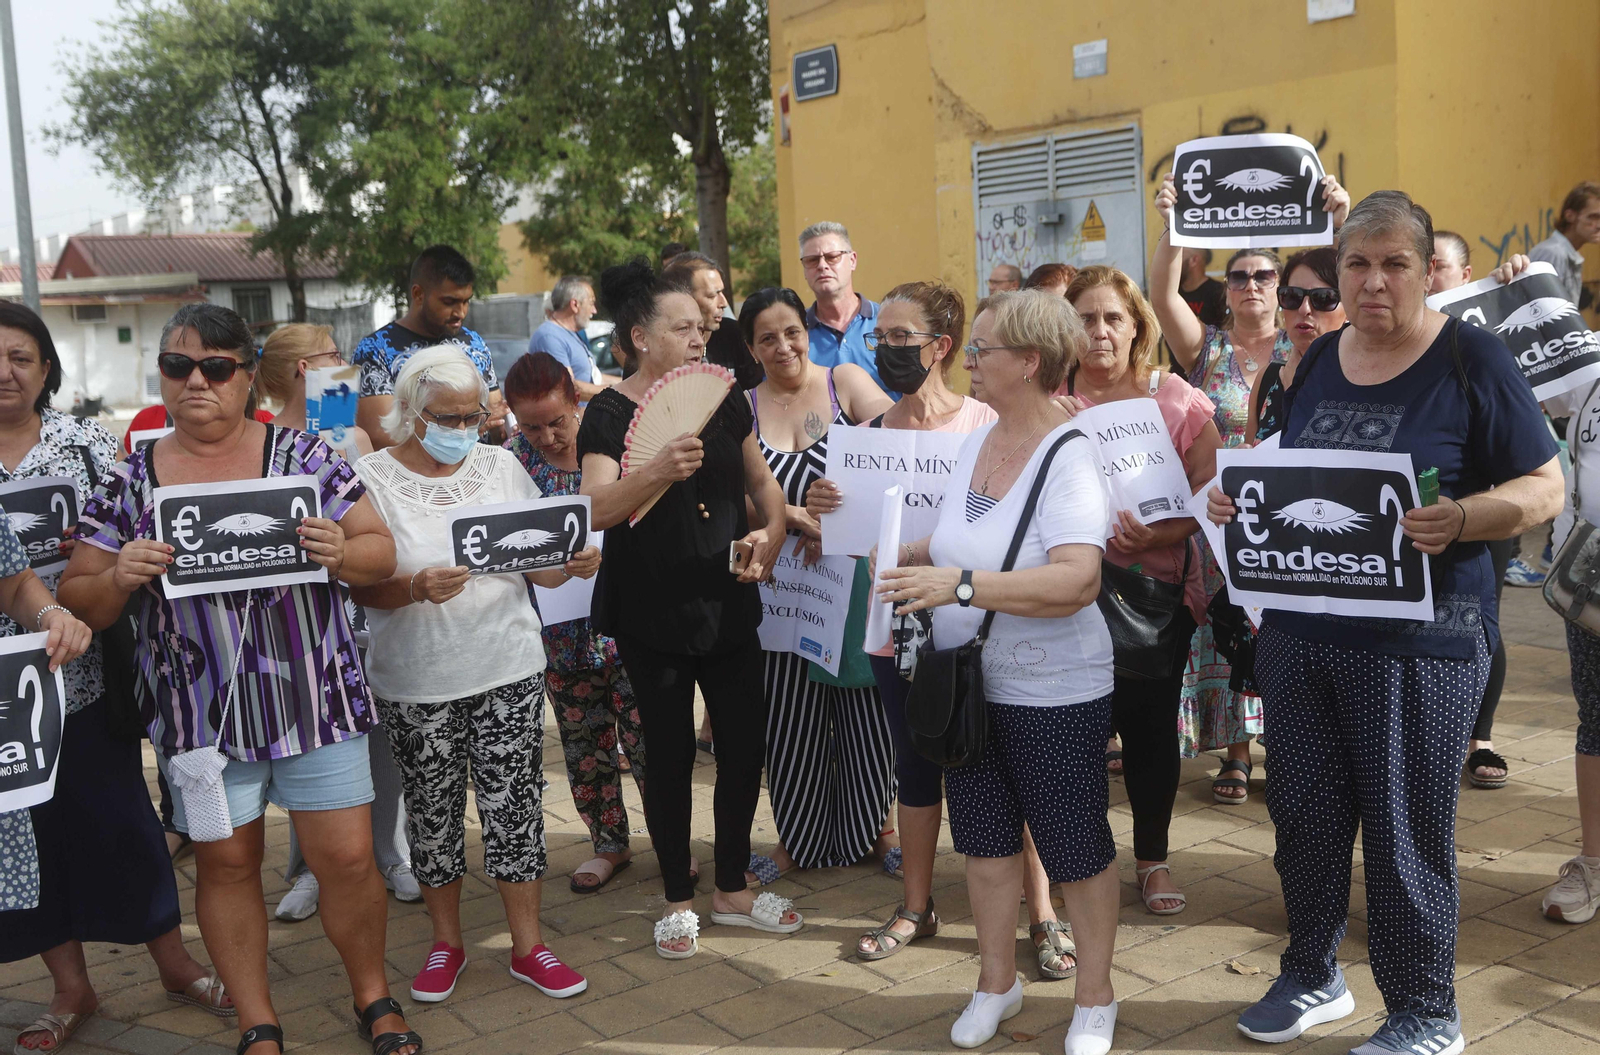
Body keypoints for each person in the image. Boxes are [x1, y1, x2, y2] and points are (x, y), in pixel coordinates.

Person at [1207, 191, 1563, 1054]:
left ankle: (1425, 1011)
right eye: (1355, 265)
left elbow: (1546, 485)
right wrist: (1239, 496)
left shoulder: (1472, 358)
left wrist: (1467, 517)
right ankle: (1313, 974)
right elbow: (1296, 472)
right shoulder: (1316, 360)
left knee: (1405, 829)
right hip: (1303, 632)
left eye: (1393, 263)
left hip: (1423, 640)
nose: (1372, 282)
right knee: (1305, 817)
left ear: (1421, 270)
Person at [58, 302, 415, 1055]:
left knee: (348, 857)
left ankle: (375, 999)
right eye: (179, 366)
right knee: (225, 861)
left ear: (249, 378)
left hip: (313, 697)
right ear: (161, 375)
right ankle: (258, 1020)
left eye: (217, 368)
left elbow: (380, 550)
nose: (197, 381)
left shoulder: (305, 457)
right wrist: (118, 574)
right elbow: (78, 595)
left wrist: (339, 553)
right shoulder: (134, 473)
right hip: (199, 717)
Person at [874, 288, 1121, 1054]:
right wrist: (912, 554)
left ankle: (1094, 997)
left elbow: (1078, 578)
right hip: (972, 685)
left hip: (1056, 688)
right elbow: (960, 539)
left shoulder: (1070, 453)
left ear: (1031, 361)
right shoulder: (976, 441)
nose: (970, 360)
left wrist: (962, 585)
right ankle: (996, 983)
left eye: (983, 349)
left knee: (1075, 849)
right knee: (982, 843)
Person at [807, 282, 1076, 980]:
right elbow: (851, 539)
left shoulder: (991, 422)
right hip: (902, 628)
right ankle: (916, 905)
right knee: (916, 767)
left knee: (1011, 762)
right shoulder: (865, 439)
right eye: (879, 337)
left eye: (900, 337)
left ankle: (1042, 910)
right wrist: (824, 505)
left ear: (943, 347)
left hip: (989, 626)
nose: (885, 349)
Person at [0, 303, 227, 1054]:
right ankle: (71, 985)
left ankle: (175, 961)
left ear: (45, 369)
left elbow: (142, 521)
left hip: (83, 661)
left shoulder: (85, 442)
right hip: (6, 700)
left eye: (22, 357)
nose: (6, 372)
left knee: (122, 818)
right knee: (24, 838)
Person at [351, 345, 597, 1003]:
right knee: (432, 813)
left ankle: (528, 945)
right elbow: (360, 585)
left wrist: (568, 565)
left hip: (507, 665)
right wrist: (415, 588)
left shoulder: (502, 465)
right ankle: (446, 943)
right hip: (417, 675)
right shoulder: (369, 476)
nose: (461, 428)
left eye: (470, 415)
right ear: (408, 412)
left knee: (515, 806)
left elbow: (536, 564)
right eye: (446, 416)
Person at [577, 258, 798, 960]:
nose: (701, 338)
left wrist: (772, 533)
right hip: (652, 611)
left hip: (730, 599)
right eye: (684, 328)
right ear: (641, 338)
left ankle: (731, 886)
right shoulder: (609, 412)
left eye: (703, 327)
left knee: (742, 748)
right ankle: (677, 896)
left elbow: (764, 484)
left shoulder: (726, 399)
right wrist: (654, 471)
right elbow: (597, 507)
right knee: (668, 755)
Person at [1150, 169, 1350, 803]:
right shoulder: (1206, 350)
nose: (1255, 287)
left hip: (1289, 513)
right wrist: (1173, 227)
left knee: (1281, 627)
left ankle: (1286, 745)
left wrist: (1341, 220)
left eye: (1268, 277)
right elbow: (1160, 295)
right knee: (1225, 627)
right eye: (1240, 276)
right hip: (1216, 516)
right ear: (1225, 290)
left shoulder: (1316, 344)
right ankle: (1235, 752)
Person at [1058, 266, 1222, 917]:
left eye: (1112, 319)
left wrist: (1162, 526)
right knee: (1073, 734)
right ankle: (1081, 863)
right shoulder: (1048, 400)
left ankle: (1152, 858)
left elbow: (1214, 494)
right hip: (1062, 596)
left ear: (1136, 328)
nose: (1098, 331)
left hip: (1151, 599)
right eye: (1085, 318)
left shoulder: (1173, 398)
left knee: (1149, 733)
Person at [252, 323, 420, 920]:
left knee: (378, 733)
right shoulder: (261, 443)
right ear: (304, 369)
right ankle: (306, 869)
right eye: (333, 356)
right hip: (298, 621)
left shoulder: (351, 433)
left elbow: (380, 527)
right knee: (307, 740)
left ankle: (391, 853)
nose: (344, 364)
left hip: (364, 601)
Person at [738, 287, 893, 874]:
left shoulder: (844, 381)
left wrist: (847, 507)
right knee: (789, 715)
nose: (784, 347)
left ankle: (879, 828)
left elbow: (896, 445)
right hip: (783, 589)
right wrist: (792, 518)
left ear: (807, 331)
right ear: (752, 348)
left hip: (852, 579)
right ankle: (793, 839)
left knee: (867, 713)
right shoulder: (743, 406)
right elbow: (739, 499)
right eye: (767, 338)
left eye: (791, 332)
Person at [501, 351, 646, 893]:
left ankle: (672, 841)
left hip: (629, 626)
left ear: (576, 402)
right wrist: (553, 567)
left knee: (649, 740)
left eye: (557, 421)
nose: (547, 436)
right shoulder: (510, 461)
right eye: (531, 425)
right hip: (558, 633)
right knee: (585, 746)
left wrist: (609, 557)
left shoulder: (613, 444)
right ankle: (610, 846)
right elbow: (508, 546)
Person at [1428, 240, 1535, 792]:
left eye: (1436, 267)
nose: (1426, 278)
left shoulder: (1487, 331)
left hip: (1485, 507)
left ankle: (1481, 738)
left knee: (1483, 622)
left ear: (1464, 274)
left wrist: (1517, 289)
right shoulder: (1396, 332)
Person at [1541, 375, 1600, 924]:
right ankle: (1595, 863)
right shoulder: (1585, 364)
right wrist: (1512, 296)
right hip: (1591, 580)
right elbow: (1519, 380)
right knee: (1598, 719)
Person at [352, 244, 506, 448]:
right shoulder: (375, 350)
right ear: (418, 295)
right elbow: (381, 436)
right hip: (408, 478)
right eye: (449, 301)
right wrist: (467, 431)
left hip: (477, 474)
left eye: (466, 301)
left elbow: (496, 414)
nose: (460, 312)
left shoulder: (474, 343)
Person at [1244, 248, 1347, 444]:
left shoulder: (1366, 381)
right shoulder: (1268, 379)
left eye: (1323, 298)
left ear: (1349, 306)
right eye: (1292, 296)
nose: (1304, 309)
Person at [799, 222, 886, 393]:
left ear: (852, 260)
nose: (822, 265)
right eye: (812, 260)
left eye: (832, 257)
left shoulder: (886, 322)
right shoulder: (795, 333)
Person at [663, 251, 764, 391]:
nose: (723, 303)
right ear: (684, 298)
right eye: (712, 296)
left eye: (721, 292)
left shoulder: (735, 335)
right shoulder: (658, 346)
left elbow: (755, 397)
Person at [528, 276, 613, 401]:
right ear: (575, 305)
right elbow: (567, 387)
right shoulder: (549, 337)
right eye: (591, 303)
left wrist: (632, 384)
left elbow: (594, 378)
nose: (594, 310)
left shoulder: (572, 334)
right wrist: (617, 394)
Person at [1529, 181, 1600, 307]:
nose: (1598, 225)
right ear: (1570, 216)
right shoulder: (1553, 253)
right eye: (1593, 217)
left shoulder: (1568, 253)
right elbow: (1543, 311)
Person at [1178, 247, 1229, 329]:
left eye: (1179, 257)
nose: (1173, 263)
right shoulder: (1173, 292)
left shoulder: (1219, 292)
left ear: (1194, 260)